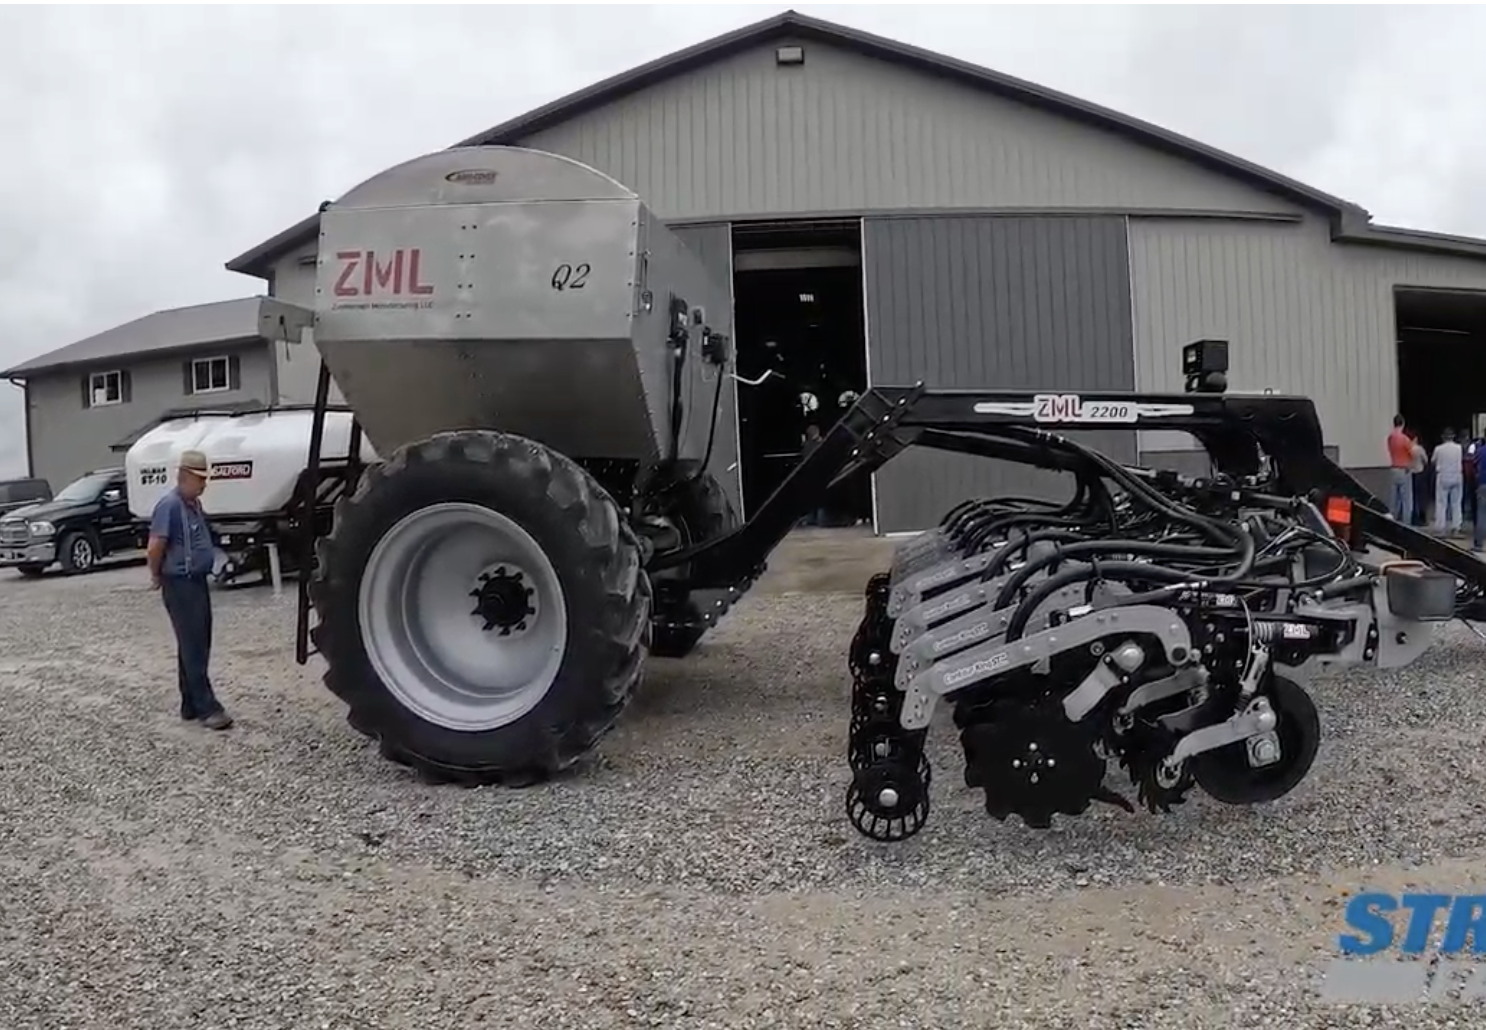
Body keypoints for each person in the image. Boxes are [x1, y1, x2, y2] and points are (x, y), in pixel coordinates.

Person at [147, 450, 232, 730]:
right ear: (184, 477)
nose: (204, 485)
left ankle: (190, 704)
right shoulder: (169, 506)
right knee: (194, 643)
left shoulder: (193, 505)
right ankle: (207, 707)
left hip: (195, 580)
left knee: (195, 641)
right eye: (200, 479)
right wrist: (156, 574)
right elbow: (156, 545)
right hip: (180, 582)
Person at [1432, 428, 1465, 536]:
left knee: (1441, 503)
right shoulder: (1459, 448)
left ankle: (1440, 528)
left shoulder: (1438, 449)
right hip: (1456, 476)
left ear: (1443, 437)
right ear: (1453, 437)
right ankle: (1456, 527)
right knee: (1456, 504)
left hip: (1443, 476)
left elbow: (1433, 461)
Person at [1386, 415, 1414, 522]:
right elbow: (1412, 453)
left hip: (1394, 469)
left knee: (1394, 498)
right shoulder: (1404, 439)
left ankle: (1393, 519)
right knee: (1406, 499)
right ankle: (1407, 522)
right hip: (1404, 469)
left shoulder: (1390, 438)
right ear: (1403, 423)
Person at [1408, 429, 1429, 527]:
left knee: (1412, 497)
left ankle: (1413, 516)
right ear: (1415, 438)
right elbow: (1425, 460)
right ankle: (1422, 517)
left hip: (1410, 474)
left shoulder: (1407, 448)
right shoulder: (1419, 449)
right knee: (1421, 497)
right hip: (1420, 473)